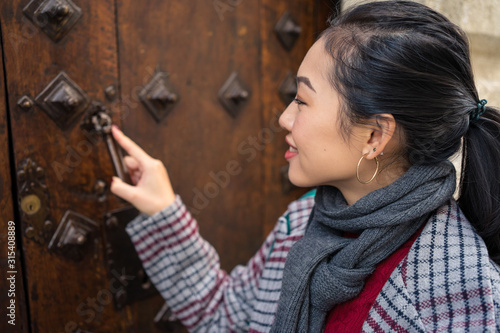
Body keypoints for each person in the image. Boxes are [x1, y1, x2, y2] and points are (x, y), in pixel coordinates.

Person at [110, 1, 500, 331]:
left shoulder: (454, 286)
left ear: (374, 137)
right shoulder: (301, 224)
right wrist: (163, 211)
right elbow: (225, 317)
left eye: (301, 100)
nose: (283, 118)